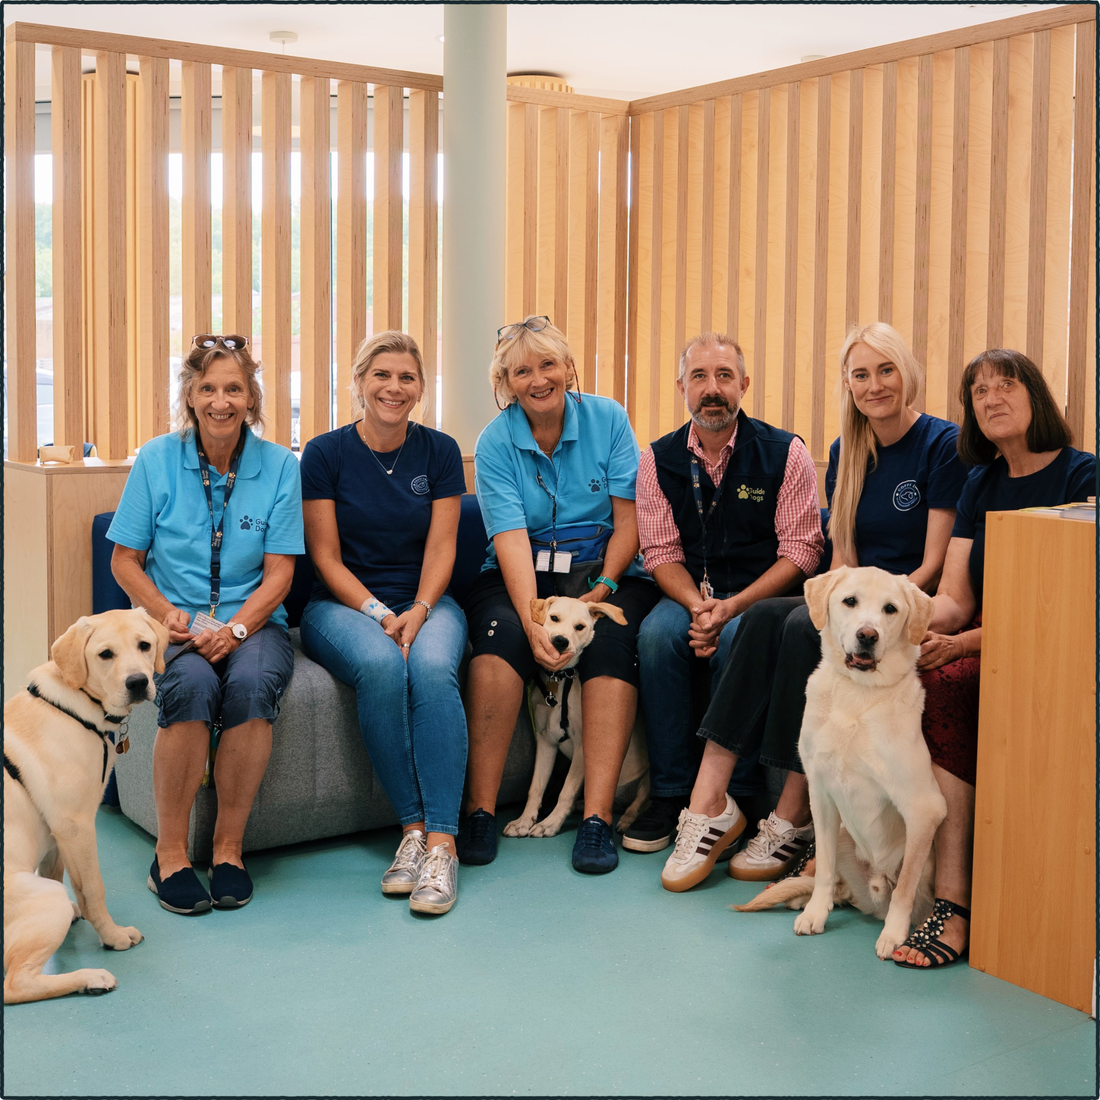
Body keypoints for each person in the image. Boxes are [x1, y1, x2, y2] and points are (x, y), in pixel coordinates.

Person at [662, 322, 968, 892]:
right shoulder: (845, 450)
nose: (874, 385)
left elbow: (930, 565)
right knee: (760, 618)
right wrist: (843, 604)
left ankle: (792, 816)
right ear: (848, 386)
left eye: (886, 370)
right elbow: (841, 559)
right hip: (853, 598)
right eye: (860, 375)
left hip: (903, 600)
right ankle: (709, 803)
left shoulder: (941, 445)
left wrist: (871, 611)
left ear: (908, 374)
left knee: (804, 626)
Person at [893, 348, 1095, 969]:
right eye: (979, 392)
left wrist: (962, 645)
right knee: (911, 673)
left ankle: (954, 908)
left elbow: (1071, 604)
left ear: (1037, 397)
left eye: (1006, 386)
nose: (991, 400)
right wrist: (918, 632)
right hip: (983, 632)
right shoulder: (980, 482)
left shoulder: (1083, 476)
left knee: (950, 686)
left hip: (1061, 641)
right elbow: (955, 598)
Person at [110, 335, 304, 915]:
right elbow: (124, 559)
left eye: (234, 388)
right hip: (173, 621)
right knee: (191, 686)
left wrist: (236, 630)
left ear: (252, 398)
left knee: (249, 686)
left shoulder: (279, 467)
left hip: (254, 622)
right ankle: (169, 855)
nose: (221, 401)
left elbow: (279, 574)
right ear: (190, 397)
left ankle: (227, 851)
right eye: (208, 388)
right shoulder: (156, 459)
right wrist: (168, 617)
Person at [458, 316, 659, 874]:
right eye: (523, 370)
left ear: (568, 367)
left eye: (548, 364)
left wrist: (603, 589)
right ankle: (479, 812)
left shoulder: (608, 419)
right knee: (497, 648)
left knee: (612, 644)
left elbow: (629, 520)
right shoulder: (495, 441)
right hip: (520, 574)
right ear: (507, 380)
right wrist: (531, 620)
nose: (538, 379)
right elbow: (511, 541)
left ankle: (594, 821)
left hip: (605, 571)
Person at [628, 332, 823, 857]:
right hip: (690, 595)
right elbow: (660, 551)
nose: (712, 389)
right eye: (699, 377)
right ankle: (671, 793)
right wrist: (697, 606)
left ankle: (737, 796)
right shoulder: (657, 459)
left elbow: (802, 551)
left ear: (744, 385)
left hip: (759, 600)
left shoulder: (786, 451)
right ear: (681, 387)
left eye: (723, 376)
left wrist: (731, 608)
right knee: (654, 636)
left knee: (740, 637)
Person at [298, 332, 468, 916]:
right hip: (342, 606)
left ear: (421, 387)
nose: (394, 388)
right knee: (379, 665)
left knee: (434, 668)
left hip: (426, 600)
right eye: (382, 375)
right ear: (360, 381)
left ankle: (443, 845)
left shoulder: (440, 451)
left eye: (407, 378)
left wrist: (419, 609)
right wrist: (380, 615)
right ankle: (412, 830)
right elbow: (324, 556)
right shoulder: (324, 453)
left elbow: (443, 547)